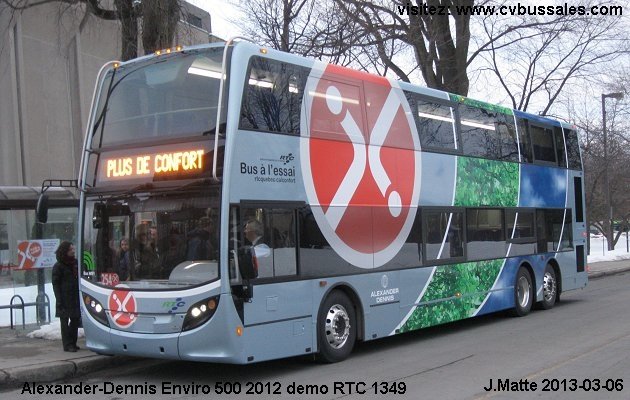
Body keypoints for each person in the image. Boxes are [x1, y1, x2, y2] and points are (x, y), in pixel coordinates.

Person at [52, 241, 81, 352]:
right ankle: (67, 344)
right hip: (64, 298)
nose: (73, 251)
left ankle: (73, 342)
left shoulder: (75, 263)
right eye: (70, 249)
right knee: (64, 322)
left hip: (74, 297)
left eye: (73, 249)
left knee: (75, 320)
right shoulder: (59, 266)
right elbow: (56, 284)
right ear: (65, 251)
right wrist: (59, 299)